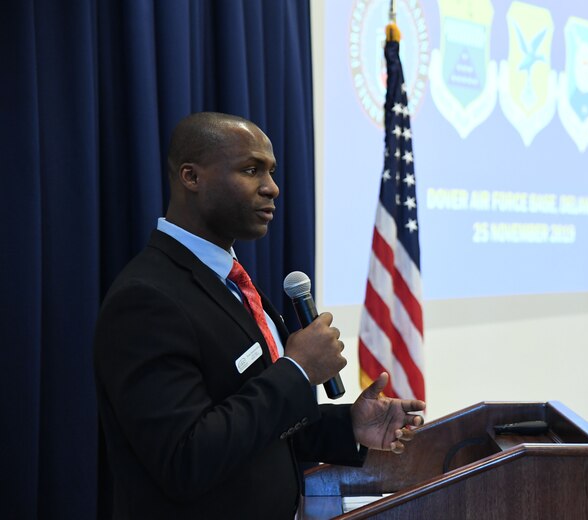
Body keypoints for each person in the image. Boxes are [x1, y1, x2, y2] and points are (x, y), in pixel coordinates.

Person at [93, 112, 426, 519]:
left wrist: (348, 425)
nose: (272, 188)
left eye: (271, 171)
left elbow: (254, 424)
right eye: (251, 170)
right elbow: (186, 457)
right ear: (191, 177)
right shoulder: (146, 299)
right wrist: (296, 371)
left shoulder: (233, 283)